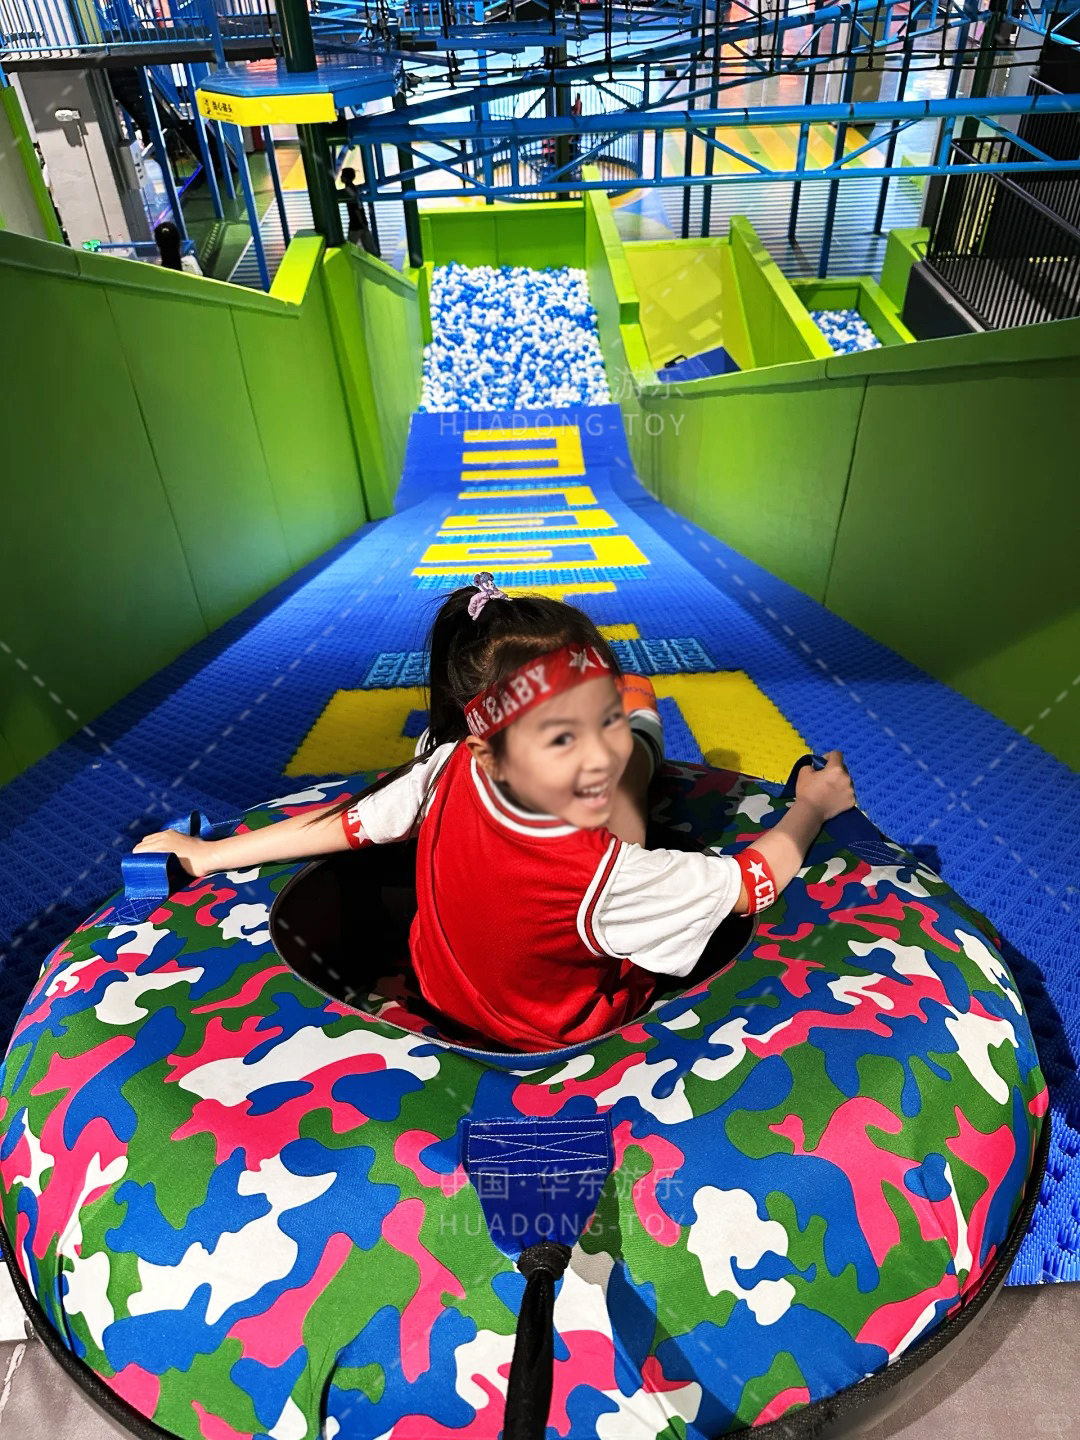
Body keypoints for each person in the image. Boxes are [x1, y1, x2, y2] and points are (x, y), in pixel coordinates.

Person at [133, 575, 854, 1050]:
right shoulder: (604, 874)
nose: (593, 755)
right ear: (492, 751)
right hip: (552, 1038)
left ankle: (629, 709)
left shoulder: (447, 763)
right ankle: (639, 709)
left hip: (439, 992)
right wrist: (813, 806)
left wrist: (207, 855)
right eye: (562, 737)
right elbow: (752, 883)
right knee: (632, 781)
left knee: (624, 775)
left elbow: (347, 823)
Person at [336, 168, 380, 257]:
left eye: (342, 176)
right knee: (371, 249)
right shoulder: (355, 189)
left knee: (349, 248)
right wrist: (363, 223)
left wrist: (361, 223)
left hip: (355, 224)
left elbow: (356, 209)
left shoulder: (348, 191)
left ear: (345, 178)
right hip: (362, 222)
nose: (340, 177)